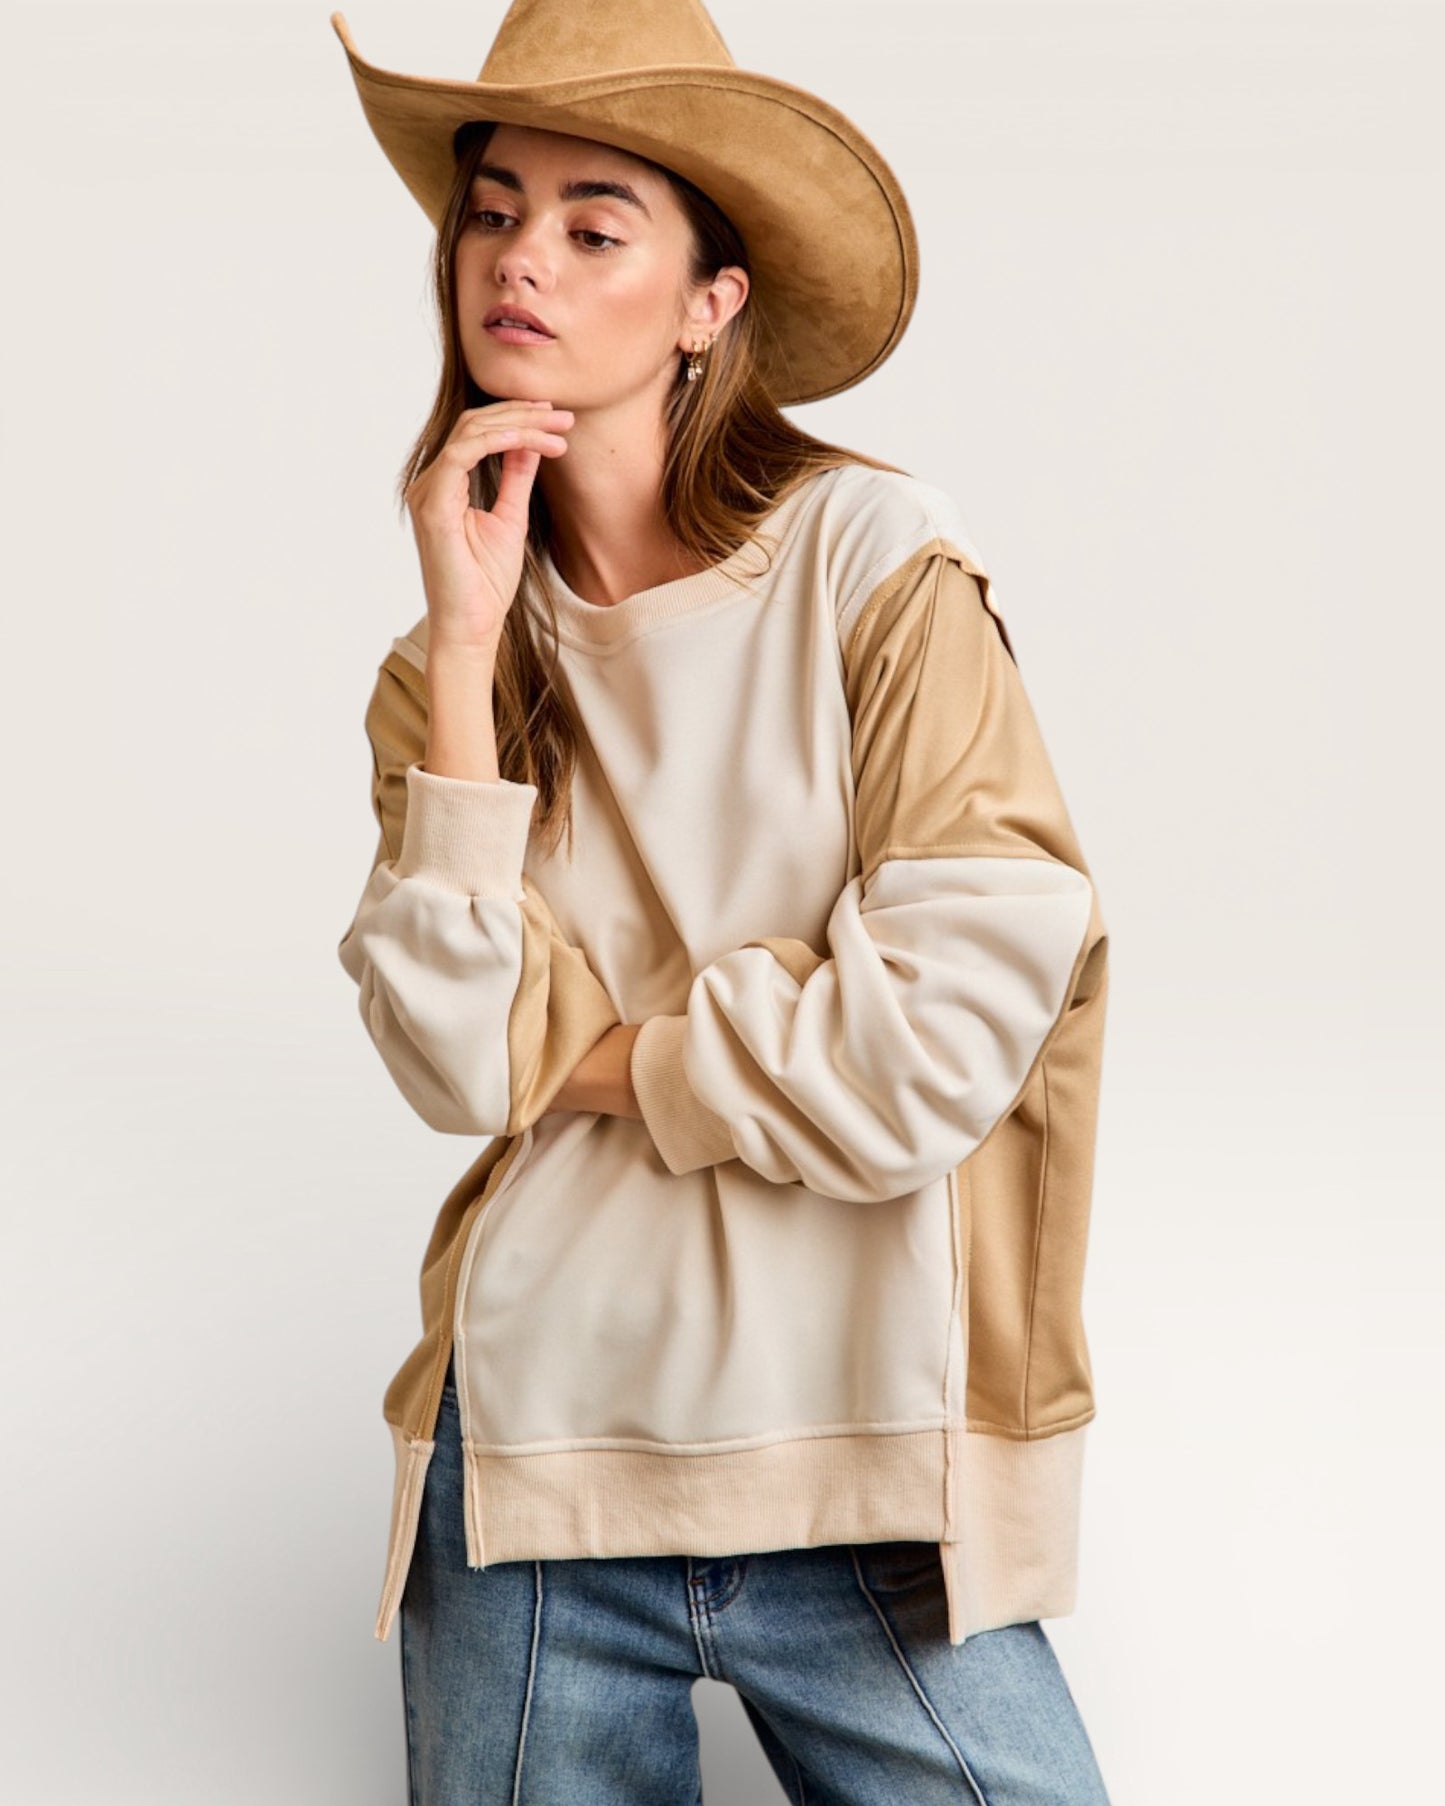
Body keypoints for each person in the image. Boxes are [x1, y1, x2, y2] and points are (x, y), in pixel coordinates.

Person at [331, 2, 1114, 1801]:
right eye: (491, 212)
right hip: (532, 1470)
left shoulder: (871, 563)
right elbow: (453, 1061)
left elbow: (932, 1050)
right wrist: (467, 636)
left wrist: (590, 1053)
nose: (519, 259)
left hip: (858, 1461)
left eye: (593, 225)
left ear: (710, 301)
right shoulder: (439, 671)